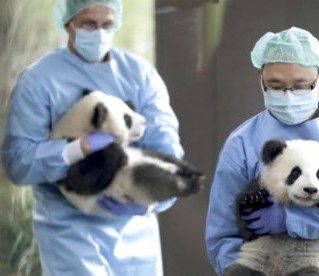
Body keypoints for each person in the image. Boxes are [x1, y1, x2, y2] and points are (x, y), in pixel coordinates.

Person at [1, 0, 184, 275]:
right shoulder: (39, 81)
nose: (99, 32)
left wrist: (151, 198)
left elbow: (168, 154)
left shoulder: (140, 76)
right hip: (69, 232)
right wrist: (74, 150)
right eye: (89, 24)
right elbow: (18, 163)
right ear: (68, 23)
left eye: (107, 24)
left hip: (136, 235)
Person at [205, 26, 319, 275]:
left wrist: (291, 221)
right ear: (260, 77)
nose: (289, 95)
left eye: (301, 85)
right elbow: (223, 232)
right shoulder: (242, 142)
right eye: (276, 85)